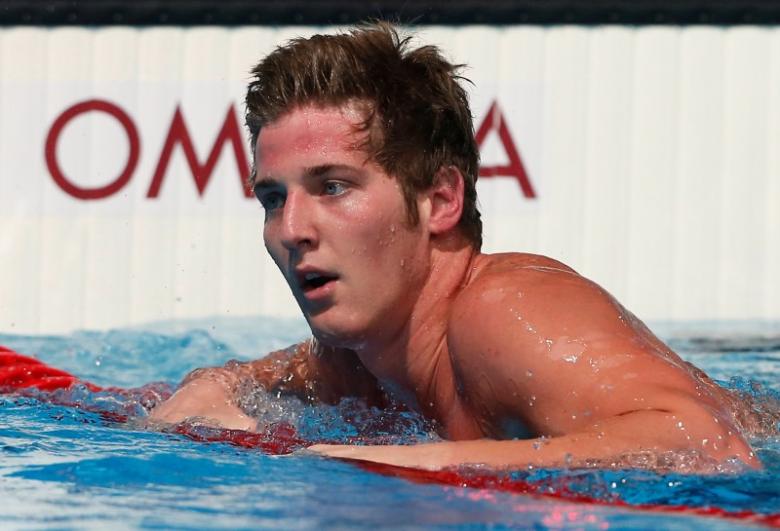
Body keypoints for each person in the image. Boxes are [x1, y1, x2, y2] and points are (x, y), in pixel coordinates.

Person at [150, 22, 758, 471]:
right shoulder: (357, 357)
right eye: (273, 198)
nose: (290, 229)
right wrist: (213, 386)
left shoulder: (504, 311)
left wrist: (415, 461)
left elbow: (704, 442)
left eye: (333, 187)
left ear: (440, 201)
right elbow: (264, 377)